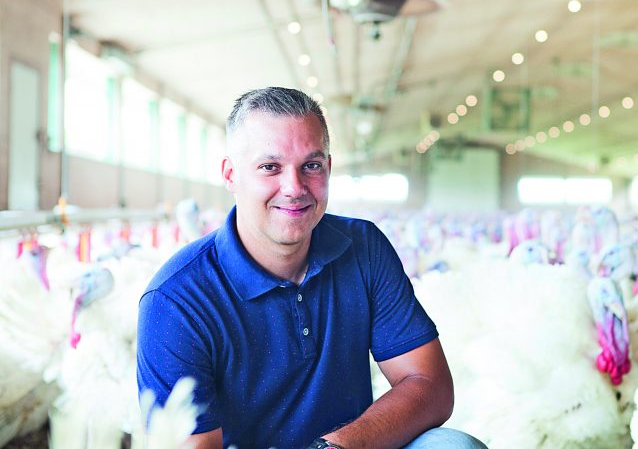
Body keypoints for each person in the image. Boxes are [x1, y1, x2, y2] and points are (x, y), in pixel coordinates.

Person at [137, 87, 487, 449]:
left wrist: (334, 447)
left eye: (311, 166)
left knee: (454, 446)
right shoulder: (176, 299)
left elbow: (430, 383)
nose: (294, 187)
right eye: (270, 167)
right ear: (230, 175)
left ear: (329, 169)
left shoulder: (362, 247)